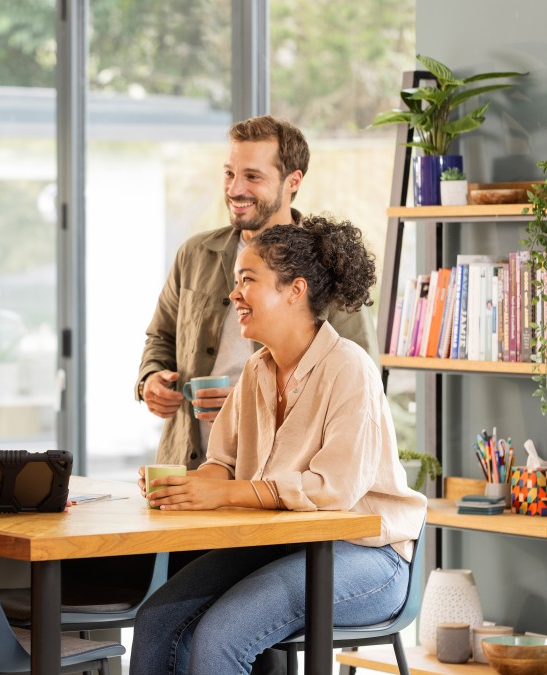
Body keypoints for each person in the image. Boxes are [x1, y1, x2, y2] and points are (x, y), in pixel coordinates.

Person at [130, 216, 427, 675]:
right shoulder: (255, 372)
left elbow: (333, 490)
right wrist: (185, 485)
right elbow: (223, 464)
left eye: (248, 280)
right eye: (235, 281)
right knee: (155, 619)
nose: (234, 295)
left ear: (295, 290)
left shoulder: (349, 368)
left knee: (221, 635)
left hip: (364, 554)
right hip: (282, 543)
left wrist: (224, 493)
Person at [135, 115, 379, 471]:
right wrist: (151, 379)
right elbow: (161, 335)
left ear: (292, 181)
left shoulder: (324, 264)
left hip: (275, 474)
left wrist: (254, 404)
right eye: (229, 173)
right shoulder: (195, 253)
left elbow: (358, 381)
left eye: (252, 176)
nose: (235, 189)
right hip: (188, 466)